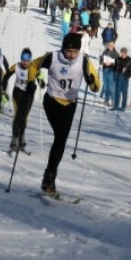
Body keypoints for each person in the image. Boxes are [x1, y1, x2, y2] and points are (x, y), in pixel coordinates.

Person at [27, 33, 100, 195]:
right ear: (63, 49)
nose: (71, 55)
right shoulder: (52, 57)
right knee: (60, 137)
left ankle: (49, 178)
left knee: (61, 139)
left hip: (70, 105)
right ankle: (49, 177)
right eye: (68, 51)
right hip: (52, 101)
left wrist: (91, 81)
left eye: (75, 51)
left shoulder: (84, 61)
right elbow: (33, 65)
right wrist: (31, 81)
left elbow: (96, 86)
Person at [3, 48, 44, 152]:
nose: (25, 63)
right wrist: (3, 91)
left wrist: (41, 80)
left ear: (31, 59)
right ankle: (14, 140)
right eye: (23, 60)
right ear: (21, 59)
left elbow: (41, 83)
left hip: (29, 95)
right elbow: (5, 77)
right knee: (18, 115)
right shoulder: (16, 66)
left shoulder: (34, 68)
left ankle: (22, 137)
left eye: (28, 60)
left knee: (24, 117)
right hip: (18, 93)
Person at [112, 47, 131, 111]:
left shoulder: (129, 61)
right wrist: (114, 75)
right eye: (121, 52)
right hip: (118, 77)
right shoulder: (118, 59)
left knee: (124, 93)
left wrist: (126, 77)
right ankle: (116, 106)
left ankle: (123, 107)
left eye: (123, 52)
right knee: (117, 92)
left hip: (124, 78)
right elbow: (115, 68)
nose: (122, 54)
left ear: (126, 53)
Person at [99, 41, 118, 107]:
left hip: (112, 71)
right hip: (105, 70)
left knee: (111, 87)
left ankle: (113, 101)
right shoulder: (105, 52)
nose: (109, 46)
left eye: (111, 45)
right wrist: (103, 62)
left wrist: (111, 63)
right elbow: (101, 60)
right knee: (106, 86)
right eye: (109, 45)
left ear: (114, 45)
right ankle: (106, 100)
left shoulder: (116, 54)